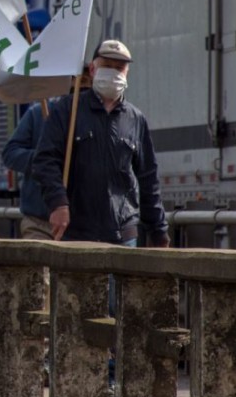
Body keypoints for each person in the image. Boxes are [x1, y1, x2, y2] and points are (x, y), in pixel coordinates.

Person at [32, 39, 170, 248]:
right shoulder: (67, 110)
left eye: (119, 68)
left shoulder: (135, 119)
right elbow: (45, 160)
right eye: (107, 66)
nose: (113, 73)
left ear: (127, 73)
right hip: (78, 234)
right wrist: (58, 203)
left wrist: (159, 231)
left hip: (124, 236)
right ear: (93, 68)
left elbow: (148, 178)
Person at [3, 103, 54, 239]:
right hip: (40, 224)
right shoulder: (38, 113)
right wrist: (42, 159)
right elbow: (10, 154)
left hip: (86, 227)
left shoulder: (100, 116)